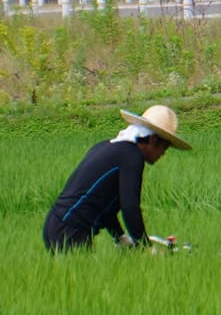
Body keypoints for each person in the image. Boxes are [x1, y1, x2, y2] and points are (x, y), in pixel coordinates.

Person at [43, 104, 192, 252]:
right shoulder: (132, 156)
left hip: (56, 226)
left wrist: (119, 236)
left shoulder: (107, 147)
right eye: (163, 149)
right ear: (152, 140)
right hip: (70, 231)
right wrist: (145, 247)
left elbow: (103, 206)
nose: (163, 154)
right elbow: (130, 207)